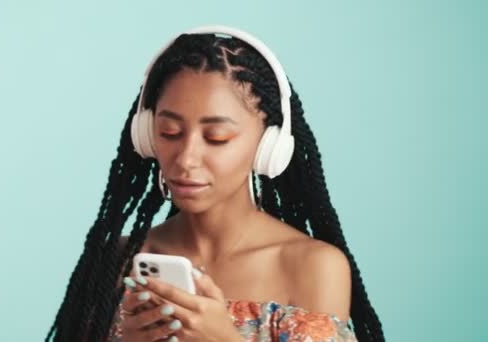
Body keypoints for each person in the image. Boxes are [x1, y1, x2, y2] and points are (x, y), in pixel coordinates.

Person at [45, 25, 385, 342]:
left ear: (269, 147)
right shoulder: (116, 260)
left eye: (217, 137)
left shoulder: (313, 267)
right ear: (147, 136)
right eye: (170, 133)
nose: (186, 158)